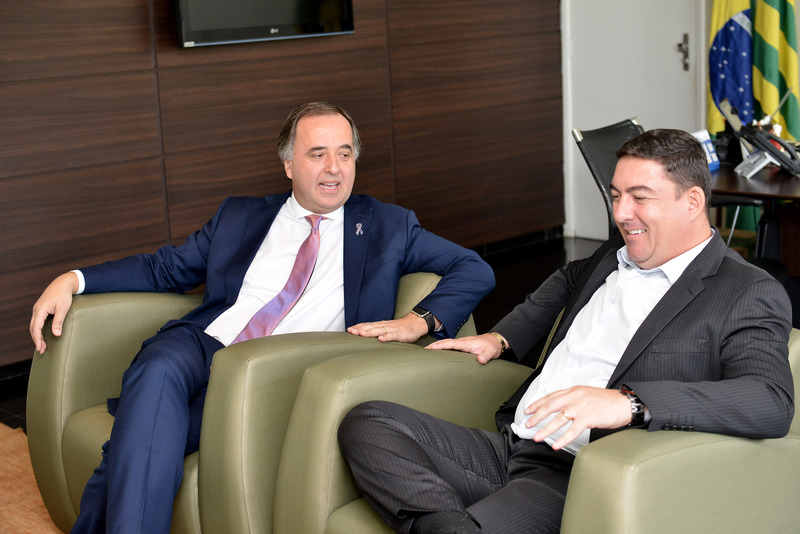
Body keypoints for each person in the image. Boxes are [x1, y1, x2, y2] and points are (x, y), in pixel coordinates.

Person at [29, 102, 495, 533]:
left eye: (344, 153)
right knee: (158, 368)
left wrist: (417, 321)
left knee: (137, 441)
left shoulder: (388, 225)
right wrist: (74, 279)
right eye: (317, 154)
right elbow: (164, 269)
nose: (334, 168)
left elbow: (473, 268)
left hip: (272, 369)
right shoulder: (241, 216)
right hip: (203, 344)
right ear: (289, 164)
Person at [338, 128, 795, 534]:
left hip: (575, 472)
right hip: (510, 444)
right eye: (616, 195)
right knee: (368, 421)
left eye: (640, 197)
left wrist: (628, 403)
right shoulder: (615, 255)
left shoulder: (745, 290)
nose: (622, 213)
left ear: (692, 201)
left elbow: (770, 401)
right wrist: (500, 338)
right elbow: (566, 278)